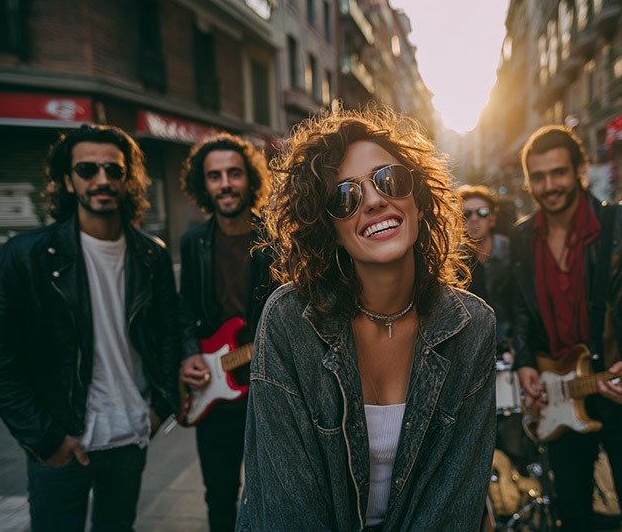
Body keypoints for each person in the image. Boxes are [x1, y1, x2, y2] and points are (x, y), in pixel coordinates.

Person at [237, 106, 497, 531]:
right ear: (328, 228)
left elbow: (454, 503)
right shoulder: (289, 320)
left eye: (389, 180)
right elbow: (287, 506)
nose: (375, 200)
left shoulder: (471, 327)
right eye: (345, 197)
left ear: (418, 199)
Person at [0, 123, 181, 531]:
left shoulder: (150, 255)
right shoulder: (26, 256)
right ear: (68, 181)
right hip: (63, 441)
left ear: (127, 179)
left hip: (130, 436)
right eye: (87, 169)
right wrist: (44, 439)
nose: (102, 179)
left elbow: (168, 336)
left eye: (113, 169)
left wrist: (160, 407)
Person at [510, 125, 622, 531]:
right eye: (538, 177)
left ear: (580, 170)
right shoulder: (521, 237)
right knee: (572, 518)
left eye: (559, 173)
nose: (549, 186)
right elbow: (522, 314)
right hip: (559, 399)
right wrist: (524, 361)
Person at [178, 133, 272, 531]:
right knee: (218, 499)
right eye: (214, 176)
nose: (226, 184)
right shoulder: (193, 242)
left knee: (270, 497)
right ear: (204, 185)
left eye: (234, 173)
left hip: (267, 396)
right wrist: (188, 353)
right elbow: (184, 309)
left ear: (250, 179)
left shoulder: (276, 239)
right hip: (216, 397)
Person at [456, 184, 512, 349]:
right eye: (467, 214)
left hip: (512, 346)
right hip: (474, 350)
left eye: (482, 212)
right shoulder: (453, 262)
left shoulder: (511, 251)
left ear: (492, 218)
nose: (474, 218)